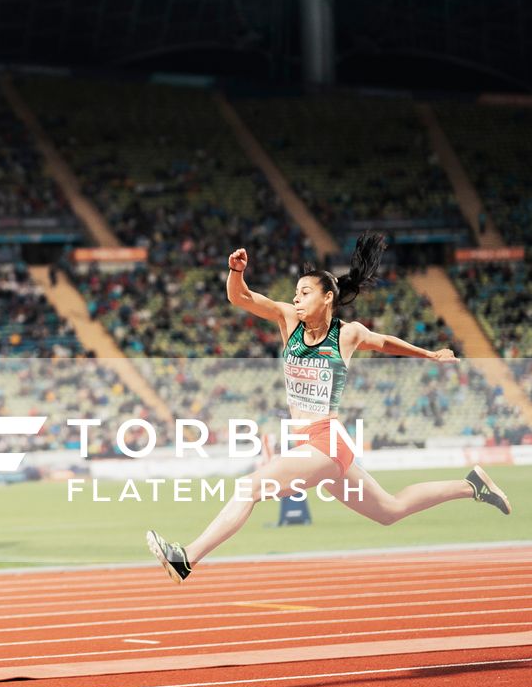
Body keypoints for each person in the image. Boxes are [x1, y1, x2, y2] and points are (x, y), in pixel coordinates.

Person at [145, 233, 511, 583]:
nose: (297, 299)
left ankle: (186, 559)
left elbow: (384, 342)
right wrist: (236, 272)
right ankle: (471, 486)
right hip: (309, 445)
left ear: (327, 299)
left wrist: (430, 354)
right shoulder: (287, 320)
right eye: (296, 293)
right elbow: (241, 298)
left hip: (326, 441)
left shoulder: (346, 334)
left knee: (248, 488)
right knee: (390, 511)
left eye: (305, 293)